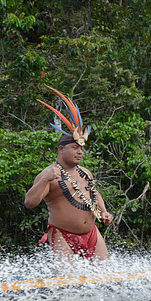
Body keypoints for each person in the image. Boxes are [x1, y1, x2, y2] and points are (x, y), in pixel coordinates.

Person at [25, 86, 113, 260]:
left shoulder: (85, 172)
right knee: (65, 283)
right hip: (62, 235)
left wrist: (103, 212)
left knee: (105, 277)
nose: (80, 152)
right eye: (74, 148)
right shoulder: (50, 174)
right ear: (61, 149)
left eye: (81, 148)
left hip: (92, 233)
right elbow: (29, 202)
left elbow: (94, 193)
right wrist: (44, 181)